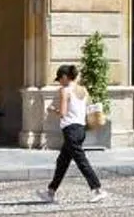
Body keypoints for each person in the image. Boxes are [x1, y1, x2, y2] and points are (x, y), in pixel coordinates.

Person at [42, 63, 105, 203]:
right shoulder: (83, 90)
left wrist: (52, 110)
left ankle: (97, 189)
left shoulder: (65, 90)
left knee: (81, 161)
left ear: (65, 77)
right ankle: (50, 192)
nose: (59, 82)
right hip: (80, 129)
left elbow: (64, 113)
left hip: (70, 130)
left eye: (59, 79)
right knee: (62, 162)